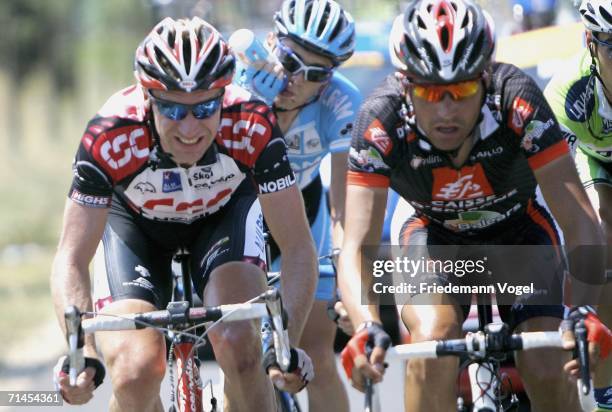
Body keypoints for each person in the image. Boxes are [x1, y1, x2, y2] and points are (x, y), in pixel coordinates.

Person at [337, 0, 609, 411]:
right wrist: (367, 326)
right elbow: (358, 246)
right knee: (432, 344)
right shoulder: (380, 121)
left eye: (462, 90)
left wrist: (585, 308)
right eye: (429, 91)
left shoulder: (517, 101)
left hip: (518, 231)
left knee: (548, 364)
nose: (446, 109)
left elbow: (578, 217)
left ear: (485, 79)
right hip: (433, 234)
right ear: (404, 84)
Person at [51, 17, 318, 411]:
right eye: (173, 109)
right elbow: (70, 257)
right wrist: (82, 352)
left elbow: (297, 246)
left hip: (221, 218)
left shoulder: (252, 124)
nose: (190, 127)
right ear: (147, 97)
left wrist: (285, 344)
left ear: (224, 96)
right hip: (136, 227)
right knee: (134, 370)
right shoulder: (109, 135)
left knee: (242, 349)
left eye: (206, 107)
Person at [232, 1, 360, 410]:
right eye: (289, 60)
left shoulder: (341, 104)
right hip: (237, 212)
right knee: (242, 358)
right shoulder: (237, 82)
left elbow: (342, 206)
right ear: (270, 42)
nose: (296, 78)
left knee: (316, 355)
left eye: (316, 73)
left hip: (304, 211)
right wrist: (253, 104)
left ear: (331, 77)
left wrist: (344, 272)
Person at [544, 0, 612, 408]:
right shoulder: (568, 94)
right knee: (601, 233)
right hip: (597, 160)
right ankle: (606, 392)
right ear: (591, 42)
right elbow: (549, 190)